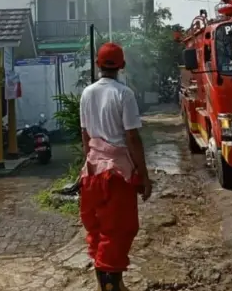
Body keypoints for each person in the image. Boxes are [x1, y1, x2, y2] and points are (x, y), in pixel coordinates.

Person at [79, 42, 152, 291]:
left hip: (92, 172)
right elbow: (132, 138)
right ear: (121, 65)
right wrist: (144, 175)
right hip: (117, 176)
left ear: (98, 65)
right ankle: (111, 287)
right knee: (119, 230)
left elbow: (85, 137)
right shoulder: (124, 94)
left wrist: (86, 167)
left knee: (98, 230)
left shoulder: (87, 93)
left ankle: (113, 284)